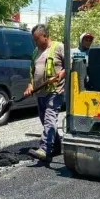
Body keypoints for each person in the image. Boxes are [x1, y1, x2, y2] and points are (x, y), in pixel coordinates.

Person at [24, 24, 66, 163]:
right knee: (45, 121)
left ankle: (44, 149)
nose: (35, 43)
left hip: (55, 91)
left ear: (46, 36)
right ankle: (57, 146)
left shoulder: (58, 47)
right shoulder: (36, 51)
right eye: (34, 40)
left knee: (49, 119)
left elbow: (70, 64)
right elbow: (31, 70)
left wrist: (61, 74)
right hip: (40, 93)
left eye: (37, 39)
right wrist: (30, 85)